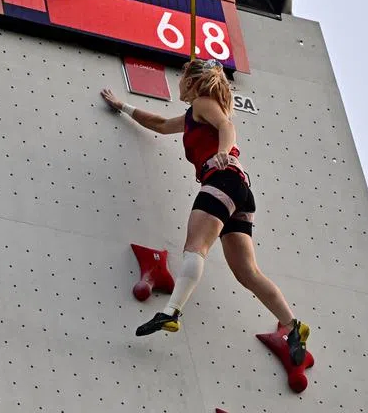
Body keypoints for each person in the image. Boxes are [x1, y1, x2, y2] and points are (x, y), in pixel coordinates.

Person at [100, 58, 309, 365]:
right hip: (239, 192)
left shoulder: (203, 102)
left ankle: (170, 312)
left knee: (195, 247)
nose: (178, 83)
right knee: (246, 272)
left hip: (222, 180)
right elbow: (158, 123)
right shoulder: (190, 116)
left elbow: (226, 124)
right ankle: (293, 326)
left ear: (193, 82)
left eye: (182, 77)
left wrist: (223, 151)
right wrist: (123, 107)